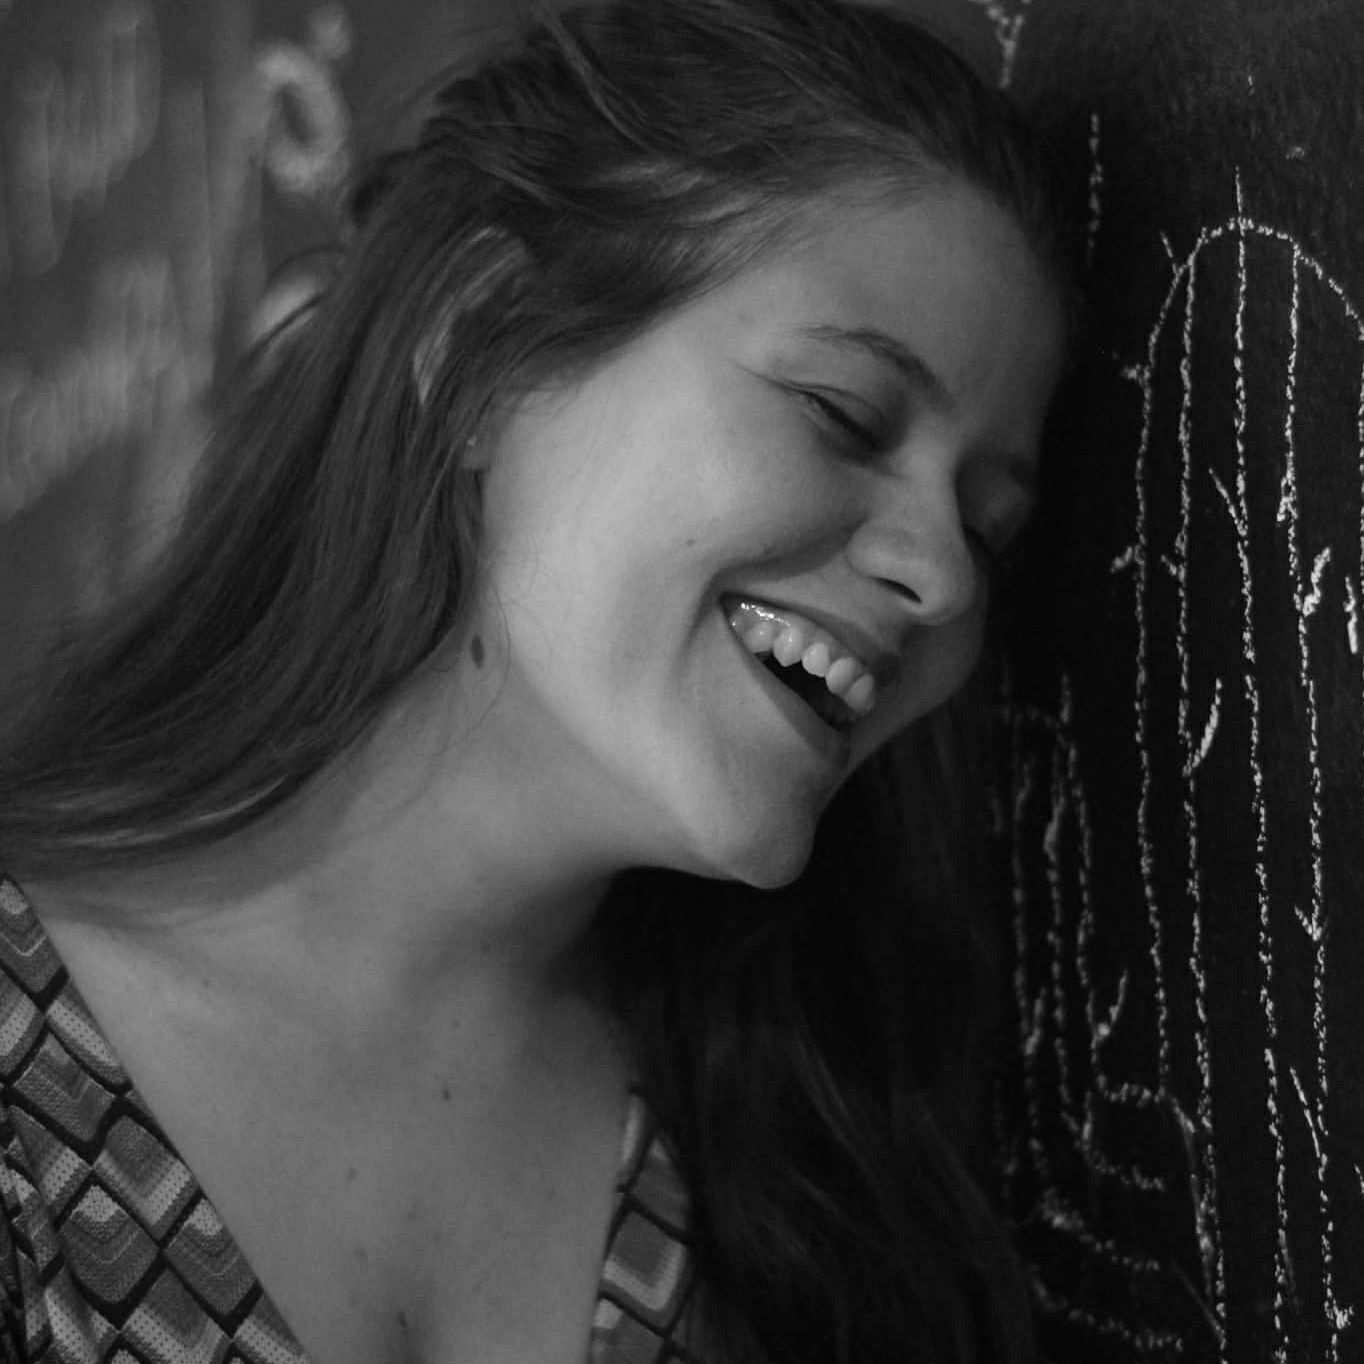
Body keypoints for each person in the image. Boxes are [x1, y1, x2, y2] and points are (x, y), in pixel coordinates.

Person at [0, 1, 1069, 1361]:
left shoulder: (819, 1182)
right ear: (481, 340)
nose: (947, 577)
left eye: (988, 525)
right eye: (845, 416)